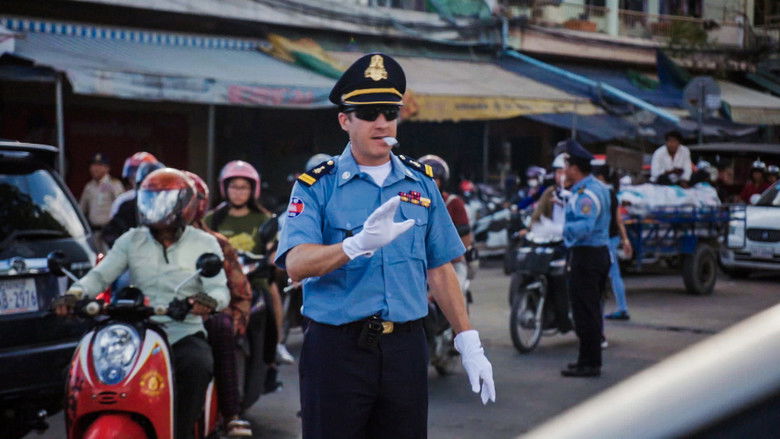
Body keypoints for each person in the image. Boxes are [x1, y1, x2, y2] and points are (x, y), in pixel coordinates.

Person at [275, 53, 495, 439]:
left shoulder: (421, 183)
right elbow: (296, 263)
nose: (382, 123)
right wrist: (354, 245)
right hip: (337, 349)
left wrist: (468, 340)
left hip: (406, 348)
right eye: (368, 112)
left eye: (390, 112)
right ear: (345, 120)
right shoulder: (316, 186)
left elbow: (440, 268)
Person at [54, 168, 229, 439]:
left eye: (164, 201)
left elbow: (219, 290)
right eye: (150, 200)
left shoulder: (204, 243)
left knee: (197, 366)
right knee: (73, 372)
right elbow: (100, 276)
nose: (155, 209)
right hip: (136, 333)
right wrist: (74, 295)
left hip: (182, 333)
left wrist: (204, 301)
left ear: (184, 205)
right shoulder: (131, 240)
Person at [185, 171, 254, 437]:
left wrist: (235, 320)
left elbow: (241, 294)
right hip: (161, 317)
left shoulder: (215, 243)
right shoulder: (141, 241)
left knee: (222, 327)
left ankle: (231, 413)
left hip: (206, 317)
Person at [205, 161, 293, 368]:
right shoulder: (212, 219)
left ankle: (274, 348)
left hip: (256, 277)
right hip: (220, 279)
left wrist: (273, 257)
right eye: (234, 186)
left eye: (243, 187)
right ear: (224, 188)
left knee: (271, 297)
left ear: (253, 189)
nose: (238, 192)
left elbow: (274, 247)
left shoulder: (265, 218)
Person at [560, 139, 611, 378]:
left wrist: (564, 231)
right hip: (598, 254)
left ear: (575, 168)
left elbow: (584, 226)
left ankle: (589, 364)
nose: (565, 169)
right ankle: (586, 359)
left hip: (587, 255)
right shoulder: (598, 187)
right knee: (591, 310)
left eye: (567, 164)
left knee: (585, 312)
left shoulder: (586, 193)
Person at [418, 154, 474, 289]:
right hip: (419, 265)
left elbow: (465, 237)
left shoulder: (453, 203)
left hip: (451, 263)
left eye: (435, 178)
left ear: (443, 181)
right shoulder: (411, 202)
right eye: (425, 177)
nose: (430, 182)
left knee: (455, 295)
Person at [593, 164, 633, 321]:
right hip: (612, 239)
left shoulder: (601, 194)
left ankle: (622, 309)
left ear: (601, 177)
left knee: (610, 275)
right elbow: (619, 221)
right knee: (613, 274)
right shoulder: (613, 194)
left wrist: (625, 240)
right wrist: (625, 240)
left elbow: (616, 219)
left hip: (605, 240)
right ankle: (621, 308)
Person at [103, 161, 165, 248]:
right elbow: (111, 233)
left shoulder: (174, 206)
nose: (153, 192)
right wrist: (127, 250)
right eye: (149, 186)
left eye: (157, 186)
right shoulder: (127, 206)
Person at [79, 152, 125, 251]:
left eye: (99, 165)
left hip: (109, 233)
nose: (95, 168)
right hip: (94, 232)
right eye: (93, 165)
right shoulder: (89, 186)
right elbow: (81, 210)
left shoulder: (114, 184)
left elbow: (121, 208)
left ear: (107, 168)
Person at [110, 151, 158, 217]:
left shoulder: (162, 198)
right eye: (133, 171)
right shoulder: (123, 200)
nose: (135, 175)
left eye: (142, 171)